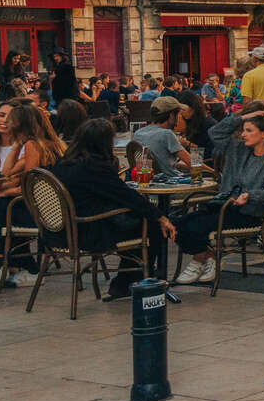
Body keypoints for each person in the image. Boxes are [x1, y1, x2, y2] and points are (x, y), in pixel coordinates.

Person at [44, 119, 175, 299]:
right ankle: (136, 280)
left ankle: (126, 281)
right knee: (149, 225)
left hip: (60, 231)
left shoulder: (63, 163)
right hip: (88, 231)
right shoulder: (94, 167)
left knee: (137, 221)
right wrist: (160, 217)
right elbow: (125, 195)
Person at [172, 111, 264, 284]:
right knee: (176, 222)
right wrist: (244, 116)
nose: (243, 134)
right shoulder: (238, 149)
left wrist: (250, 195)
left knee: (195, 226)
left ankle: (201, 260)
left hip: (249, 213)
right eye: (244, 130)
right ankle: (206, 257)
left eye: (249, 130)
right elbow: (215, 132)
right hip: (223, 205)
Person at [0, 101, 64, 284]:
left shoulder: (34, 145)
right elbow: (8, 173)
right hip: (45, 206)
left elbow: (27, 184)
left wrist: (1, 192)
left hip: (45, 210)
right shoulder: (30, 145)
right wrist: (16, 146)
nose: (7, 123)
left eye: (12, 120)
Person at [131, 96, 193, 179]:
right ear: (171, 115)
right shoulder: (167, 134)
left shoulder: (138, 133)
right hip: (172, 184)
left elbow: (159, 160)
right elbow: (192, 163)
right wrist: (212, 171)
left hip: (149, 181)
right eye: (178, 114)